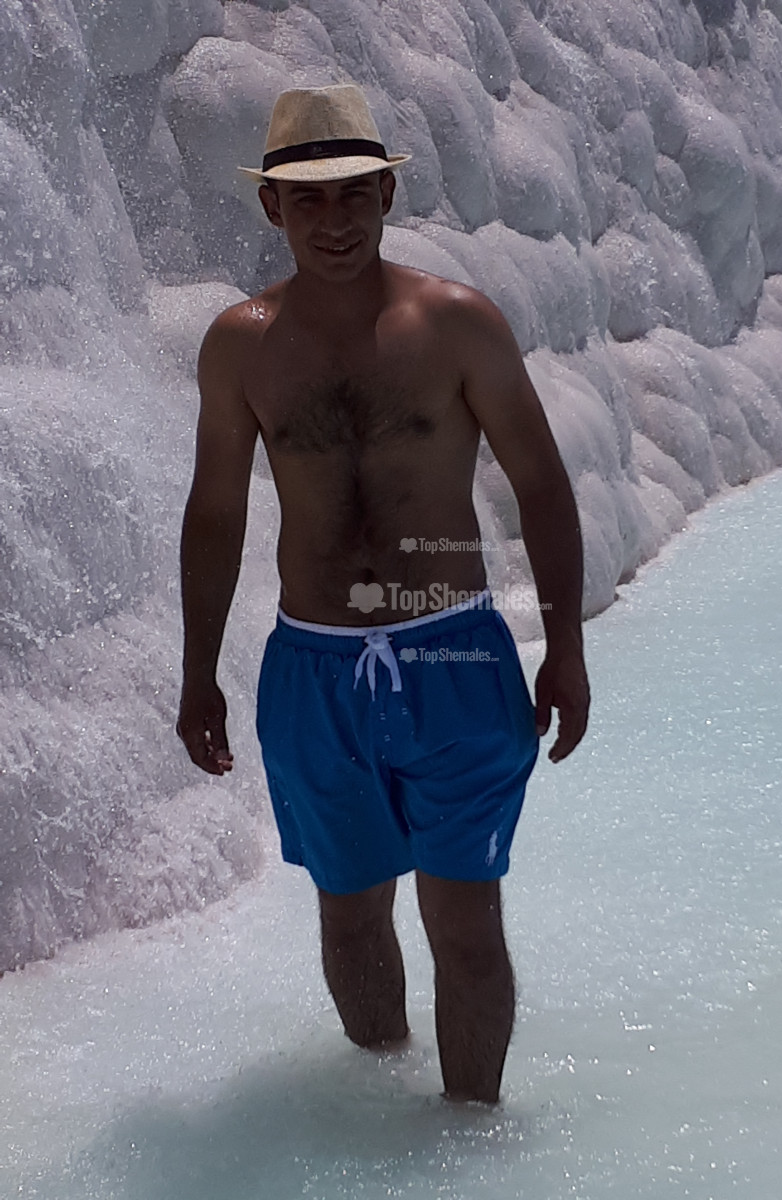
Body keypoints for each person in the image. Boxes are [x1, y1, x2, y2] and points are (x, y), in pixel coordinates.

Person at [177, 84, 590, 1104]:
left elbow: (542, 483)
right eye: (309, 200)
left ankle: (469, 1143)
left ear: (387, 196)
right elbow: (216, 513)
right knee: (351, 915)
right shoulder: (241, 344)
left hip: (455, 657)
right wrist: (197, 673)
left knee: (466, 925)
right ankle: (378, 1118)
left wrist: (567, 649)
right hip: (313, 669)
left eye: (355, 194)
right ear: (271, 206)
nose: (335, 220)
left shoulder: (456, 324)